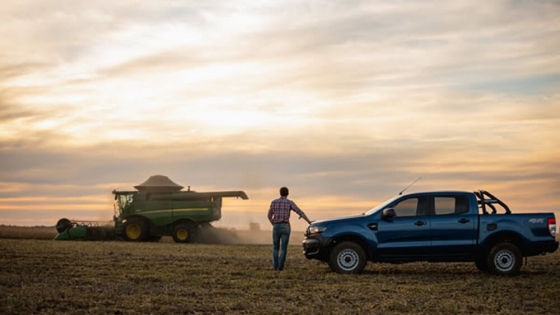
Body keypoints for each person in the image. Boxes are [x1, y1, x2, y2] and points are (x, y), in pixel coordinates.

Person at [267, 186, 312, 271]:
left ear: (280, 193)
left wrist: (273, 223)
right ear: (287, 194)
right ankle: (280, 267)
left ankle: (275, 266)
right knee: (284, 248)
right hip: (286, 226)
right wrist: (309, 221)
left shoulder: (274, 202)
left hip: (276, 226)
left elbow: (269, 215)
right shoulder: (289, 202)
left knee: (275, 247)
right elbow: (300, 212)